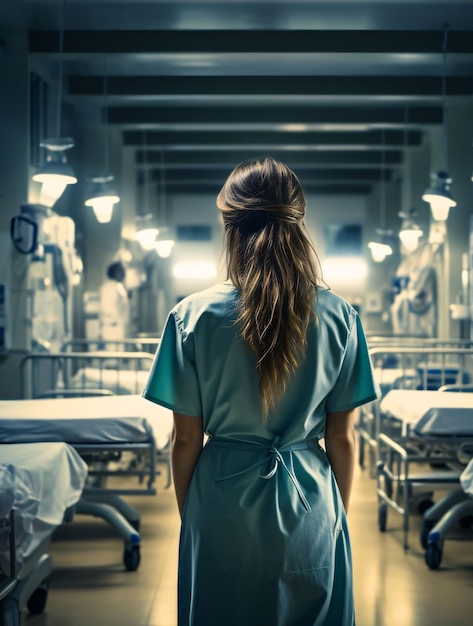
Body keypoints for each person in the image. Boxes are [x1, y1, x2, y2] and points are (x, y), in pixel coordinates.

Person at [143, 156, 377, 626]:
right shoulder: (340, 317)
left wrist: (196, 517)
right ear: (298, 223)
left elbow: (186, 439)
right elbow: (343, 439)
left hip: (220, 502)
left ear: (230, 227)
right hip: (309, 498)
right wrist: (333, 516)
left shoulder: (191, 317)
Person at [99, 260, 130, 347]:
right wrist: (114, 319)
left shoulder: (119, 287)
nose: (123, 274)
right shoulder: (109, 287)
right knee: (112, 356)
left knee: (119, 356)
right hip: (112, 327)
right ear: (115, 272)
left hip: (118, 327)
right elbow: (106, 308)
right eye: (121, 271)